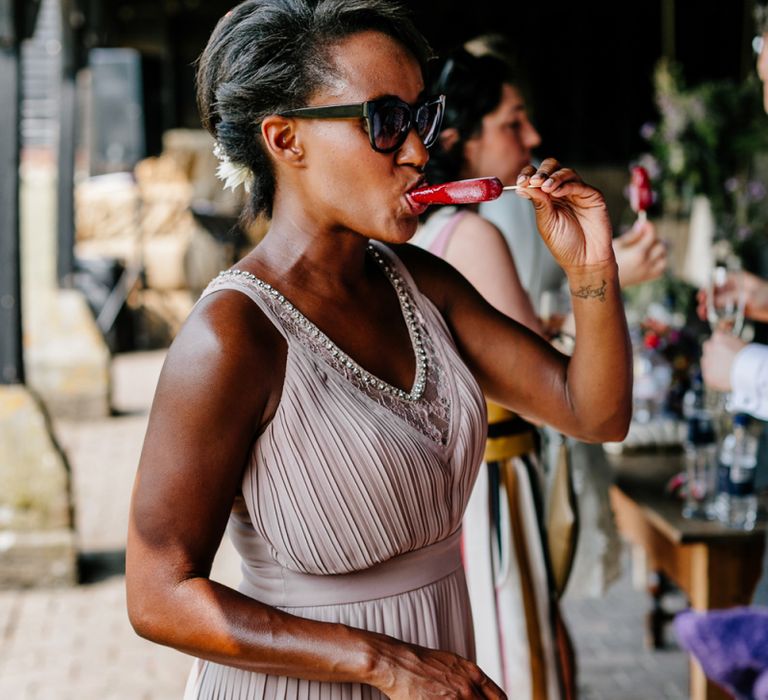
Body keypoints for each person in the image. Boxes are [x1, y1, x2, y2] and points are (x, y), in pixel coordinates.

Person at [125, 2, 632, 698]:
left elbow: (595, 413)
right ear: (285, 138)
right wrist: (385, 662)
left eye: (419, 118)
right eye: (384, 122)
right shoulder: (232, 336)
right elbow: (158, 596)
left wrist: (591, 273)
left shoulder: (421, 285)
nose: (419, 152)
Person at [411, 49, 572, 700]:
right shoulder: (471, 237)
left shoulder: (425, 233)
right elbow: (547, 394)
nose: (531, 139)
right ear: (458, 139)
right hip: (495, 479)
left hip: (454, 489)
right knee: (519, 651)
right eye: (513, 122)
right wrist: (602, 283)